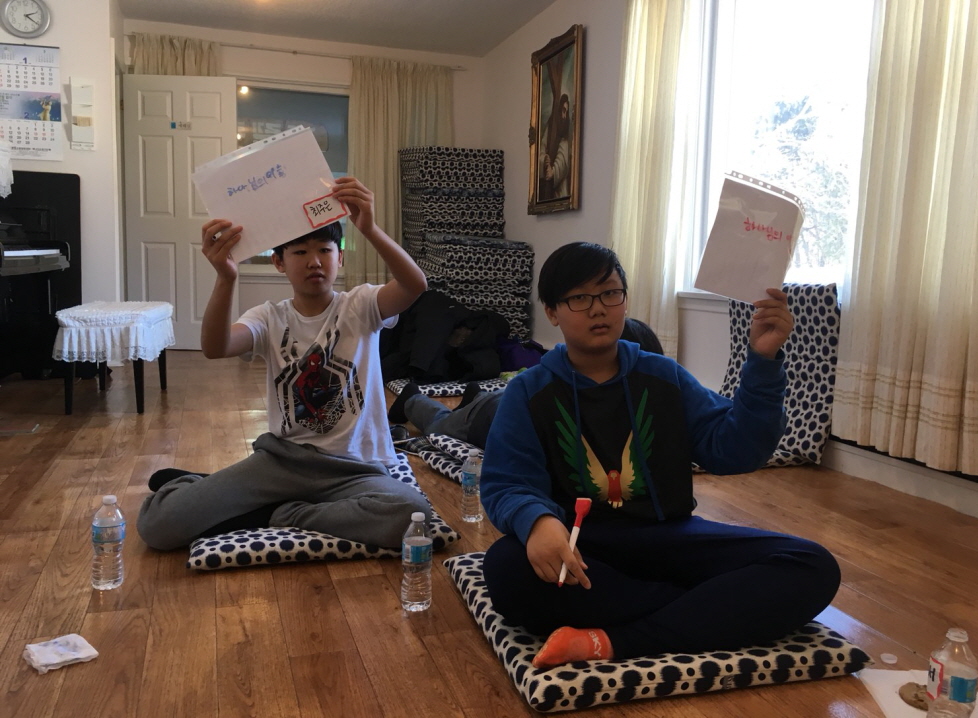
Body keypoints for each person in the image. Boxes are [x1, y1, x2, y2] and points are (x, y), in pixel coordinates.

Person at [480, 241, 840, 669]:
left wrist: (762, 361)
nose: (599, 309)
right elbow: (507, 482)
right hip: (583, 549)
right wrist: (538, 523)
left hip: (671, 539)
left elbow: (735, 451)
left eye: (610, 293)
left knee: (812, 566)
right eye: (579, 298)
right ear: (552, 311)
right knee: (506, 567)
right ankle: (705, 610)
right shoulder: (527, 391)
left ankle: (613, 641)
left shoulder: (665, 377)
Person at [136, 177, 432, 551]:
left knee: (411, 514)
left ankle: (283, 513)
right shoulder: (268, 317)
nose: (314, 261)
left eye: (325, 250)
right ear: (278, 262)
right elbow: (215, 347)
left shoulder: (361, 305)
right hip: (282, 463)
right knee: (157, 525)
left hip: (355, 468)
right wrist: (226, 277)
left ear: (340, 257)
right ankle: (201, 486)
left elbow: (415, 285)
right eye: (299, 252)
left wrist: (369, 228)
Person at [387, 318, 664, 450]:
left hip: (499, 401)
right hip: (489, 415)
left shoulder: (642, 403)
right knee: (439, 426)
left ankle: (475, 397)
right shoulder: (566, 403)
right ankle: (412, 398)